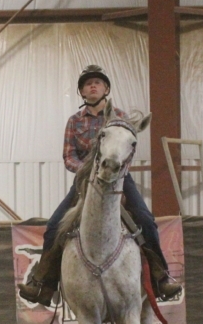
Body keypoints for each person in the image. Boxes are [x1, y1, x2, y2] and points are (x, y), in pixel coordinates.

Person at [17, 64, 182, 306]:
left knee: (146, 220)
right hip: (86, 181)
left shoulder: (121, 118)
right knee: (54, 226)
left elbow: (128, 149)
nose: (92, 86)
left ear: (106, 89)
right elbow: (69, 156)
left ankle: (161, 277)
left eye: (97, 83)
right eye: (87, 84)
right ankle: (43, 283)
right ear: (82, 92)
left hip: (119, 178)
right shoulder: (75, 121)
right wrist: (86, 171)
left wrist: (116, 171)